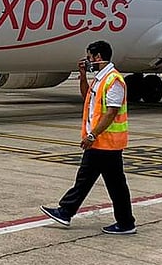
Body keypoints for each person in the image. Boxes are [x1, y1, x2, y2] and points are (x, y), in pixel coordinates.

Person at [40, 40, 136, 235]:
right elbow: (87, 97)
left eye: (90, 58)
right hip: (102, 142)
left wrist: (92, 135)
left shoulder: (114, 80)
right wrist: (82, 76)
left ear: (98, 57)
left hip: (105, 143)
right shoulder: (101, 78)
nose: (88, 61)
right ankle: (124, 222)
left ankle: (67, 211)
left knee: (90, 179)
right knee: (106, 182)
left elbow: (111, 113)